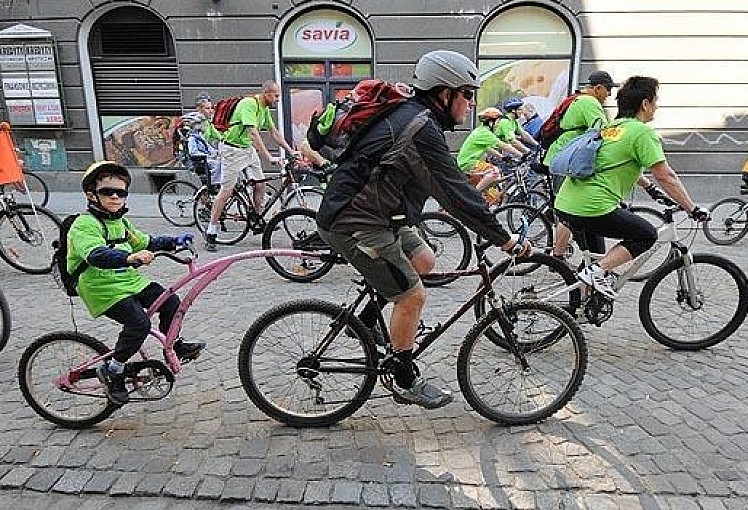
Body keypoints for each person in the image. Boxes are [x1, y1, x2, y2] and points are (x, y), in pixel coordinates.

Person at [317, 50, 526, 410]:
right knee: (412, 296)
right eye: (467, 93)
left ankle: (365, 322)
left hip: (380, 216)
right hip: (353, 222)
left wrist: (470, 185)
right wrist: (503, 238)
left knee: (425, 259)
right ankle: (403, 375)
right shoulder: (419, 126)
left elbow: (441, 177)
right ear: (444, 93)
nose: (471, 103)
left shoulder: (415, 117)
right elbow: (455, 195)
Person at [553, 76, 710, 300]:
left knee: (598, 256)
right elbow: (666, 175)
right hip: (592, 207)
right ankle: (594, 274)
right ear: (645, 104)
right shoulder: (641, 132)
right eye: (655, 101)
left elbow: (616, 163)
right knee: (646, 234)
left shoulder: (610, 129)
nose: (656, 106)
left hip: (566, 202)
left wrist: (649, 188)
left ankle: (581, 304)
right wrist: (692, 209)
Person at [68, 161, 204, 405]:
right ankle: (115, 370)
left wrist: (173, 241)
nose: (115, 197)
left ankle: (173, 345)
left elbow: (144, 241)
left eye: (120, 192)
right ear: (91, 194)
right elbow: (95, 254)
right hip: (100, 286)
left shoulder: (120, 222)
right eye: (107, 191)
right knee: (138, 323)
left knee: (170, 302)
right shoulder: (84, 224)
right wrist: (129, 257)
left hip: (128, 280)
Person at [205, 81, 298, 251]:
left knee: (260, 184)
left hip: (248, 149)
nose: (278, 99)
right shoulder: (249, 104)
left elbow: (274, 132)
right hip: (232, 150)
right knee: (226, 191)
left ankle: (256, 218)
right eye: (276, 95)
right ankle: (211, 231)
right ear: (266, 93)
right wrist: (269, 156)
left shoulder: (264, 109)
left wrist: (291, 151)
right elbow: (253, 132)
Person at [543, 70, 620, 260]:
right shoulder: (589, 102)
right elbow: (602, 130)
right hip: (569, 161)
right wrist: (623, 137)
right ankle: (557, 257)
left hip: (561, 157)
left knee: (567, 207)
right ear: (598, 88)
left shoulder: (577, 99)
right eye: (608, 89)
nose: (609, 94)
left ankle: (560, 251)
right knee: (568, 211)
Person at [457, 107, 526, 197]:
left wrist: (502, 157)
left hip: (467, 163)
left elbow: (487, 148)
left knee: (492, 188)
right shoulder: (485, 133)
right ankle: (473, 195)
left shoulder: (481, 131)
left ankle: (480, 194)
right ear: (491, 122)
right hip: (468, 164)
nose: (498, 125)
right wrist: (522, 155)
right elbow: (503, 145)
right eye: (498, 121)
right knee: (494, 172)